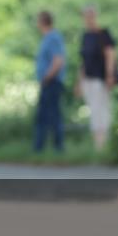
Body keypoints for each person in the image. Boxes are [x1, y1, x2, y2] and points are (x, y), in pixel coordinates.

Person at [75, 5, 117, 151]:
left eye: (90, 15)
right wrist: (79, 82)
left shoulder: (103, 34)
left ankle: (103, 144)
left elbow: (110, 55)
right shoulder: (86, 36)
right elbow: (83, 62)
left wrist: (110, 75)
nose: (87, 19)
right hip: (88, 79)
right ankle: (98, 145)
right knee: (94, 110)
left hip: (100, 78)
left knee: (102, 110)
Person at [33, 11, 66, 152]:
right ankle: (39, 148)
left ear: (42, 22)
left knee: (52, 116)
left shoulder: (53, 38)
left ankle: (56, 148)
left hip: (51, 83)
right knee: (43, 116)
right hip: (48, 82)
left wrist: (46, 78)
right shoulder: (47, 38)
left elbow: (58, 61)